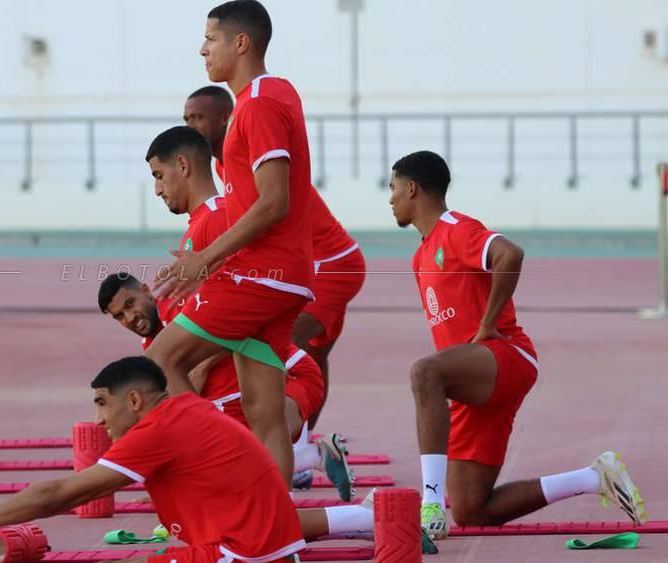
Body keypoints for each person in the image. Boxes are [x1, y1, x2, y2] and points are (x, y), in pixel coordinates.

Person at [0, 357, 399, 562]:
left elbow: (60, 494)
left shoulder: (161, 427)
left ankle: (364, 514)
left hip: (240, 554)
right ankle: (365, 515)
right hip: (254, 544)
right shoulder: (184, 408)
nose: (97, 419)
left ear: (135, 401)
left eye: (102, 403)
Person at [388, 150, 646, 538]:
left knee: (424, 372)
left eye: (392, 188)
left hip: (506, 356)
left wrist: (489, 323)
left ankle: (430, 501)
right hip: (470, 382)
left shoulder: (454, 228)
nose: (389, 198)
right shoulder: (420, 255)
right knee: (473, 510)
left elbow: (510, 253)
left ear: (411, 189)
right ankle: (595, 477)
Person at [98, 126, 353, 498]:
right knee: (260, 423)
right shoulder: (200, 230)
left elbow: (230, 313)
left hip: (290, 364)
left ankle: (209, 465)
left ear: (182, 165)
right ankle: (276, 511)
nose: (156, 189)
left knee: (164, 366)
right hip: (261, 348)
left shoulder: (217, 219)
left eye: (158, 175)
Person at [146, 0, 314, 485]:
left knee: (160, 361)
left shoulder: (259, 104)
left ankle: (206, 476)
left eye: (210, 39)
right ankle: (275, 532)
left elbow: (274, 202)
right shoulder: (270, 96)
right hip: (286, 278)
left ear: (241, 43)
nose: (202, 49)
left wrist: (205, 259)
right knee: (264, 413)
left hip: (262, 274)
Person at [184, 86, 365, 430]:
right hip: (321, 261)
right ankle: (308, 445)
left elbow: (269, 210)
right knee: (310, 355)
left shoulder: (251, 150)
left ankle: (293, 447)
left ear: (225, 118)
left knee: (280, 352)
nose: (190, 127)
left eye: (197, 118)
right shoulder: (225, 164)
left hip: (328, 264)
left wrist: (210, 258)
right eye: (186, 119)